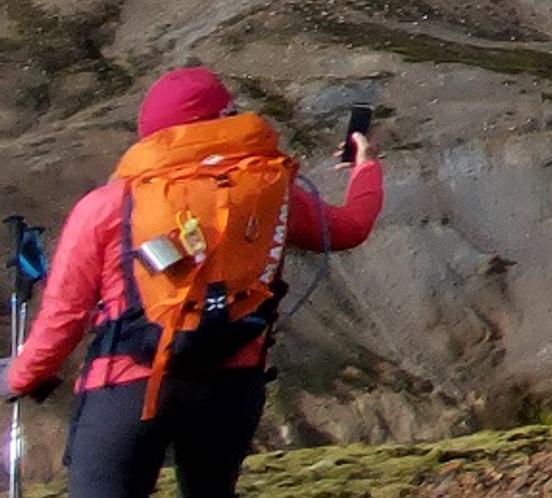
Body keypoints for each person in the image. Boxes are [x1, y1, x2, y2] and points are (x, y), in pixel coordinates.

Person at [2, 69, 383, 498]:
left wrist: (21, 377)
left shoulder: (109, 205)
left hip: (128, 389)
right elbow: (349, 227)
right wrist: (365, 167)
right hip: (231, 388)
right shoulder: (270, 190)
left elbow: (64, 316)